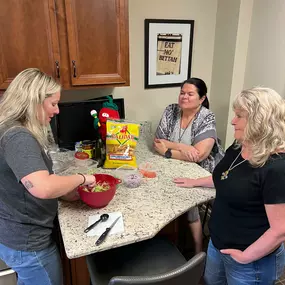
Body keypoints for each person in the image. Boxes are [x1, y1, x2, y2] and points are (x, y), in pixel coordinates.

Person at [174, 87, 285, 284]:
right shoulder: (238, 147)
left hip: (251, 260)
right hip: (217, 245)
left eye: (239, 116)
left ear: (260, 121)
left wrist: (246, 256)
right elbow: (226, 177)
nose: (233, 121)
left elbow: (280, 230)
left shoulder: (277, 167)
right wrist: (194, 182)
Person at [0, 68, 97, 285]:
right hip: (28, 242)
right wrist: (83, 178)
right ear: (34, 101)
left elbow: (23, 182)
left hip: (13, 233)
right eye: (53, 104)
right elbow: (41, 187)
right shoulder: (18, 137)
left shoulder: (9, 127)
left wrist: (62, 194)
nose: (57, 110)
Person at [154, 78, 224, 253]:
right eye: (182, 93)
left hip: (203, 171)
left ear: (201, 98)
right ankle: (169, 237)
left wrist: (168, 151)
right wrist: (182, 147)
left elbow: (199, 156)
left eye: (190, 94)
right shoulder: (171, 111)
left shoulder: (206, 116)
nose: (184, 97)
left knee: (188, 200)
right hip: (175, 165)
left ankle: (198, 250)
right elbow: (158, 141)